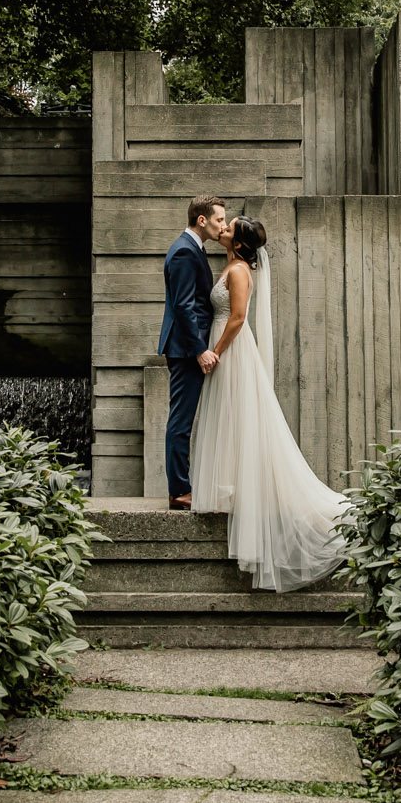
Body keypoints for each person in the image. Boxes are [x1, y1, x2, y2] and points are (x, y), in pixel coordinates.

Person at [187, 214, 348, 592]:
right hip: (223, 347)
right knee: (228, 417)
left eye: (229, 227)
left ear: (239, 243)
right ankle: (231, 488)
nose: (223, 229)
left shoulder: (240, 271)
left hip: (233, 350)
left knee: (241, 416)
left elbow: (239, 317)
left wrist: (215, 352)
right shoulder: (230, 265)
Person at [158, 196, 228, 510]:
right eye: (219, 220)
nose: (223, 226)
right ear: (202, 220)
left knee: (183, 419)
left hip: (188, 347)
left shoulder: (191, 248)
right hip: (187, 349)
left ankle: (182, 487)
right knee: (181, 421)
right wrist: (200, 349)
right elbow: (184, 307)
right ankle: (179, 491)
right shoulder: (185, 251)